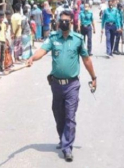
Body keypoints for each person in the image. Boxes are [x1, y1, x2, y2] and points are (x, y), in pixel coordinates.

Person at [27, 10, 97, 162]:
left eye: (67, 20)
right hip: (56, 84)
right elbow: (42, 51)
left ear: (71, 22)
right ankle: (63, 137)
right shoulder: (53, 38)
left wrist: (93, 77)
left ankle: (67, 147)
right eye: (62, 20)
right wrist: (33, 58)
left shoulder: (78, 39)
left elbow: (86, 60)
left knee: (70, 116)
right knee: (58, 114)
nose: (64, 23)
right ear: (58, 22)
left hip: (72, 84)